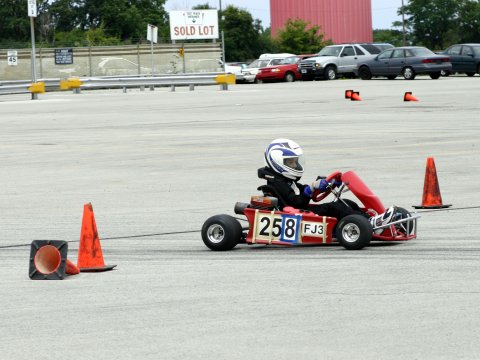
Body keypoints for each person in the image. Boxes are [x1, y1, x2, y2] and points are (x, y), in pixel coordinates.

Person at [258, 138, 395, 229]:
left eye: (295, 162)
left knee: (347, 203)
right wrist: (311, 189)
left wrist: (325, 184)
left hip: (300, 212)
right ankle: (369, 224)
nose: (295, 165)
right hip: (293, 215)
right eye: (291, 162)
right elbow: (296, 202)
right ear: (277, 162)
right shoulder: (276, 183)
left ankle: (372, 219)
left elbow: (301, 190)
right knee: (335, 208)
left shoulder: (285, 181)